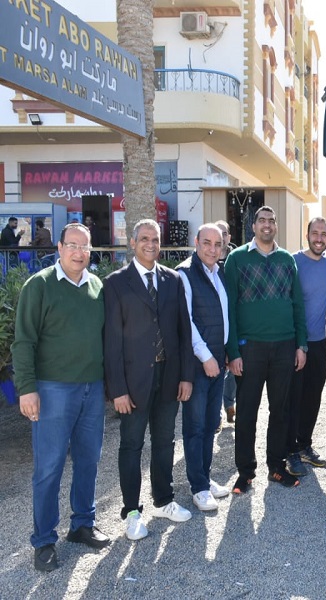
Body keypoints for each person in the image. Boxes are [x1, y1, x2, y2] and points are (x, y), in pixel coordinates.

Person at [12, 223, 107, 572]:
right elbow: (23, 342)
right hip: (52, 390)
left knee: (89, 460)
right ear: (59, 246)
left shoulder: (97, 286)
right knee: (49, 467)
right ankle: (44, 540)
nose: (79, 252)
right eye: (72, 245)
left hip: (92, 388)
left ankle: (82, 523)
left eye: (85, 247)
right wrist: (27, 388)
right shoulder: (38, 286)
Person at [104, 219, 195, 541]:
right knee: (131, 445)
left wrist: (186, 376)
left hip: (169, 378)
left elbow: (184, 332)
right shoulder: (116, 283)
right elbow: (111, 342)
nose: (150, 245)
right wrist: (117, 390)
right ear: (133, 243)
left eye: (155, 239)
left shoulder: (173, 280)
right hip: (132, 383)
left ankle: (164, 499)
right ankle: (131, 511)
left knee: (165, 441)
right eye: (144, 239)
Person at [225, 205, 308, 491]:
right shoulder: (236, 260)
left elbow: (298, 304)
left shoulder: (287, 260)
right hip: (250, 349)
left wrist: (301, 345)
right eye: (262, 220)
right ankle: (246, 472)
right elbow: (229, 310)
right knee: (247, 412)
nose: (267, 225)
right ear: (253, 226)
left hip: (285, 347)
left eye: (272, 220)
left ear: (276, 225)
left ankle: (276, 466)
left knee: (280, 410)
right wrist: (232, 351)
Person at [176, 224, 231, 511]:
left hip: (217, 363)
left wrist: (222, 355)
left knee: (210, 425)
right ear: (196, 242)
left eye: (217, 244)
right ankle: (197, 487)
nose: (212, 249)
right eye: (207, 243)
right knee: (195, 427)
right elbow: (186, 323)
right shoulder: (185, 274)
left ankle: (205, 478)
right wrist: (206, 357)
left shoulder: (218, 272)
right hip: (199, 365)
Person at [285, 217, 326, 476]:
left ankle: (304, 446)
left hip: (319, 342)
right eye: (315, 233)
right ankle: (289, 451)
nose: (319, 238)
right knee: (293, 399)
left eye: (324, 234)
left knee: (313, 398)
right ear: (307, 235)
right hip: (296, 342)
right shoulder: (294, 262)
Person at [215, 219, 237, 426]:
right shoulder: (207, 259)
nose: (220, 237)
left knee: (233, 370)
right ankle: (217, 415)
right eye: (217, 232)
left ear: (229, 237)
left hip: (234, 324)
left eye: (224, 233)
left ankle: (229, 404)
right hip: (215, 327)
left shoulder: (237, 259)